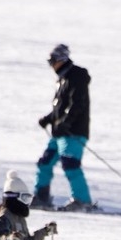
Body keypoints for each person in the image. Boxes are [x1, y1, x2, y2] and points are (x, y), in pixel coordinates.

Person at [33, 44, 93, 211]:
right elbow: (61, 107)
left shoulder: (76, 76)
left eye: (52, 61)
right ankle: (41, 197)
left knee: (70, 164)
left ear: (61, 59)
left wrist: (65, 122)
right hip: (60, 132)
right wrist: (48, 119)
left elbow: (77, 104)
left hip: (73, 132)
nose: (51, 65)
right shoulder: (63, 78)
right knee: (44, 163)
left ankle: (83, 201)